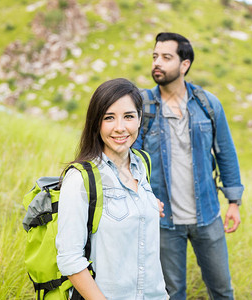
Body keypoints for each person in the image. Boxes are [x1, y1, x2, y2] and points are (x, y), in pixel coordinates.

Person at [134, 32, 244, 299]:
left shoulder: (207, 104)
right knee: (173, 293)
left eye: (166, 57)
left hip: (208, 216)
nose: (157, 63)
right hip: (164, 221)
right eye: (155, 56)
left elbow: (225, 153)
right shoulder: (142, 105)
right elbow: (131, 161)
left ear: (185, 65)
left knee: (222, 290)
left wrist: (233, 202)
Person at [56, 78, 168, 299]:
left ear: (139, 120)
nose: (120, 127)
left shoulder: (142, 164)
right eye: (109, 118)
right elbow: (69, 259)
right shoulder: (80, 179)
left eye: (128, 116)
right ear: (96, 123)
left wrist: (147, 207)